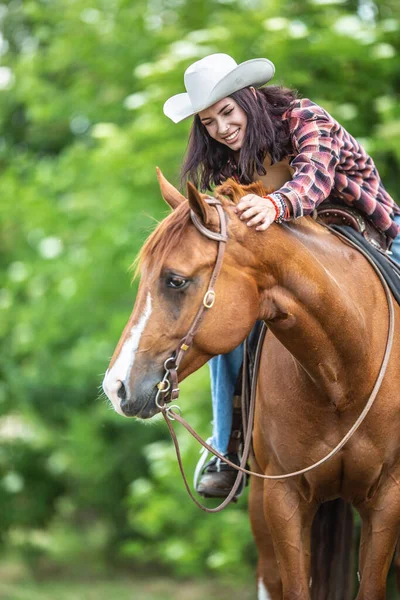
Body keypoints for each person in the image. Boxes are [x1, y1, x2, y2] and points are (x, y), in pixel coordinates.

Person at [163, 53, 400, 498]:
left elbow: (313, 178)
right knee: (226, 322)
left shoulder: (305, 118)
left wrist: (274, 204)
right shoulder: (228, 162)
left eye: (227, 112)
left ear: (249, 99)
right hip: (292, 264)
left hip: (373, 233)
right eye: (208, 122)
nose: (221, 128)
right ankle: (226, 446)